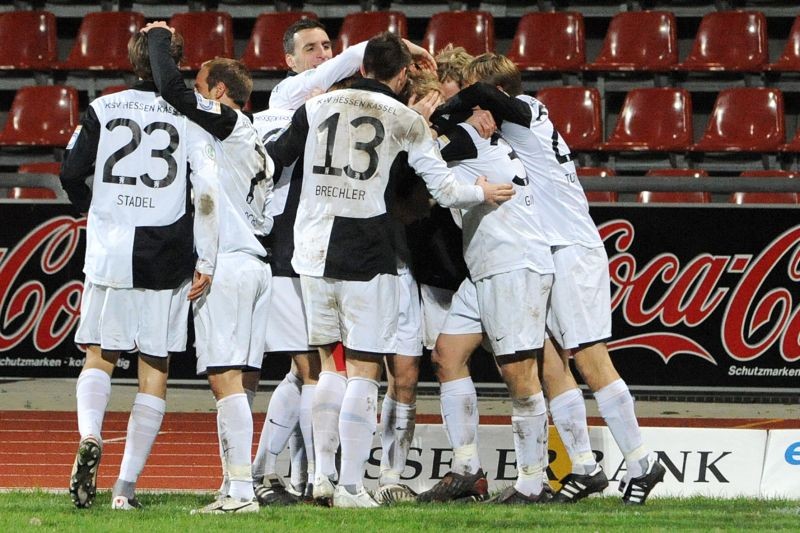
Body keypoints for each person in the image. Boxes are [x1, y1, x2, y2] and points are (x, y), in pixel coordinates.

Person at [266, 32, 514, 508]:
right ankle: (351, 487)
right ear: (401, 75)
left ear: (363, 67)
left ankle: (321, 478)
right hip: (368, 251)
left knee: (328, 367)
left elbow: (274, 160)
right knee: (364, 370)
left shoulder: (314, 106)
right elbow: (444, 189)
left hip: (311, 251)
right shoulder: (404, 118)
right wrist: (481, 192)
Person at [435, 52, 666, 505]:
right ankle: (585, 467)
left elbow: (479, 97)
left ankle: (642, 461)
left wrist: (446, 109)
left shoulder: (526, 111)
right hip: (547, 249)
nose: (477, 108)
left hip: (571, 247)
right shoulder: (513, 124)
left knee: (591, 361)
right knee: (550, 362)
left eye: (481, 98)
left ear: (496, 93)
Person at [252, 20, 436, 506]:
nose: (322, 56)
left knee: (316, 371)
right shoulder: (292, 96)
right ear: (289, 62)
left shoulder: (327, 105)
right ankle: (327, 479)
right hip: (321, 249)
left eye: (327, 46)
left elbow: (272, 158)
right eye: (310, 49)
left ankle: (305, 475)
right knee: (338, 369)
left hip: (313, 249)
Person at [60, 29, 219, 511]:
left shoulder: (103, 107)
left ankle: (90, 435)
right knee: (155, 367)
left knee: (99, 354)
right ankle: (124, 489)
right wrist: (206, 257)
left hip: (111, 248)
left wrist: (95, 208)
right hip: (164, 253)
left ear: (133, 61)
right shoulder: (190, 113)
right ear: (177, 61)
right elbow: (205, 191)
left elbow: (70, 173)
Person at [143, 21, 275, 514]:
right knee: (242, 380)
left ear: (219, 92)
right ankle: (234, 485)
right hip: (256, 265)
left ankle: (240, 492)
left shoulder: (228, 123)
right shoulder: (251, 138)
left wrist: (158, 37)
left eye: (201, 86)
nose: (193, 96)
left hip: (230, 262)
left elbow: (172, 93)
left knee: (224, 379)